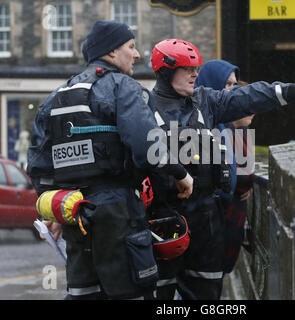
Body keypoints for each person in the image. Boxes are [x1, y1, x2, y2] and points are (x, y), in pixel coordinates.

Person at [147, 38, 295, 300]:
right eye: (187, 69)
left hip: (206, 218)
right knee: (159, 295)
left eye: (196, 68)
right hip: (161, 219)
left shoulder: (205, 101)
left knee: (207, 293)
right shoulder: (143, 108)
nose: (194, 75)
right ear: (166, 72)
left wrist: (293, 91)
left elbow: (246, 96)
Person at [27, 21, 193, 300]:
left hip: (75, 215)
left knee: (84, 293)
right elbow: (146, 146)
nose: (137, 54)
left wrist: (52, 210)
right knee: (133, 292)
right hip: (119, 214)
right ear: (111, 53)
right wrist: (180, 174)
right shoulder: (122, 86)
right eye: (131, 47)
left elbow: (40, 166)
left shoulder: (57, 97)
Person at [195, 61, 257, 273]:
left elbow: (243, 176)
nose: (233, 94)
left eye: (234, 85)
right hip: (207, 223)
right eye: (228, 86)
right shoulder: (207, 127)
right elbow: (237, 180)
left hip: (226, 223)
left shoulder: (237, 132)